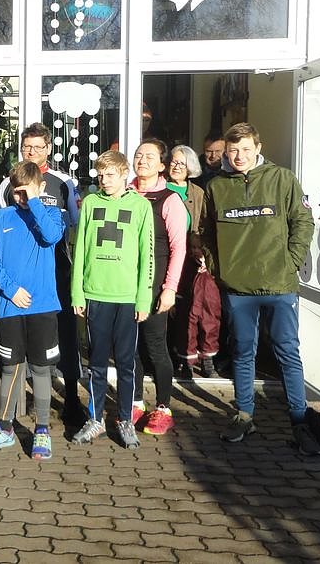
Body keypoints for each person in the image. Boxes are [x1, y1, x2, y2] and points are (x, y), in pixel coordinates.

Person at [200, 123, 320, 455]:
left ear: (258, 147)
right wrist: (218, 268)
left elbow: (303, 222)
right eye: (232, 151)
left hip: (279, 284)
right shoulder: (217, 186)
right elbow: (206, 232)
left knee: (287, 352)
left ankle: (299, 422)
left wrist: (291, 260)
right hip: (237, 287)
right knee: (242, 352)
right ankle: (244, 415)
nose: (238, 156)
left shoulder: (282, 179)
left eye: (245, 149)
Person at [0, 123, 84, 428]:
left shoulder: (62, 182)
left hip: (53, 274)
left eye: (37, 146)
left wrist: (36, 202)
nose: (31, 151)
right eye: (27, 146)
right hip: (15, 283)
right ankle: (13, 412)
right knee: (15, 354)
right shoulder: (8, 185)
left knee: (60, 340)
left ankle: (71, 398)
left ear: (48, 148)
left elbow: (72, 225)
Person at [0, 161, 65, 460]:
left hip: (43, 306)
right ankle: (4, 427)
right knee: (10, 367)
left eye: (28, 191)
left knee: (40, 368)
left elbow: (51, 236)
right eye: (17, 192)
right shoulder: (1, 218)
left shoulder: (51, 214)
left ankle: (42, 429)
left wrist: (35, 201)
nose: (22, 197)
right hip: (10, 306)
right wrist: (11, 289)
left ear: (40, 188)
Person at [70, 151, 154, 449]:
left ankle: (126, 419)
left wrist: (143, 298)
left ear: (124, 174)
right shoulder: (91, 203)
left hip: (127, 297)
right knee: (96, 363)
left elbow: (147, 255)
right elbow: (80, 249)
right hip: (96, 294)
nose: (104, 180)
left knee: (126, 363)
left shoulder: (141, 206)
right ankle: (95, 419)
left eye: (110, 175)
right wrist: (77, 292)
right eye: (100, 175)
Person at [128, 139, 186, 436]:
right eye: (139, 155)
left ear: (162, 165)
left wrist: (170, 288)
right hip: (125, 286)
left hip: (154, 286)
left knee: (155, 347)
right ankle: (136, 402)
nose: (142, 160)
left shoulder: (169, 199)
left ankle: (163, 407)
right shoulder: (124, 193)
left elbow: (179, 248)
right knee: (130, 347)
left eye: (150, 157)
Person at [166, 145, 220, 378]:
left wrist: (203, 254)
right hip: (166, 256)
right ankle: (177, 357)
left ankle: (202, 358)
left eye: (182, 163)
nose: (176, 166)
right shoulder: (161, 188)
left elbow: (203, 225)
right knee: (173, 311)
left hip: (191, 258)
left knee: (198, 310)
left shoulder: (197, 192)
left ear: (190, 167)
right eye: (173, 161)